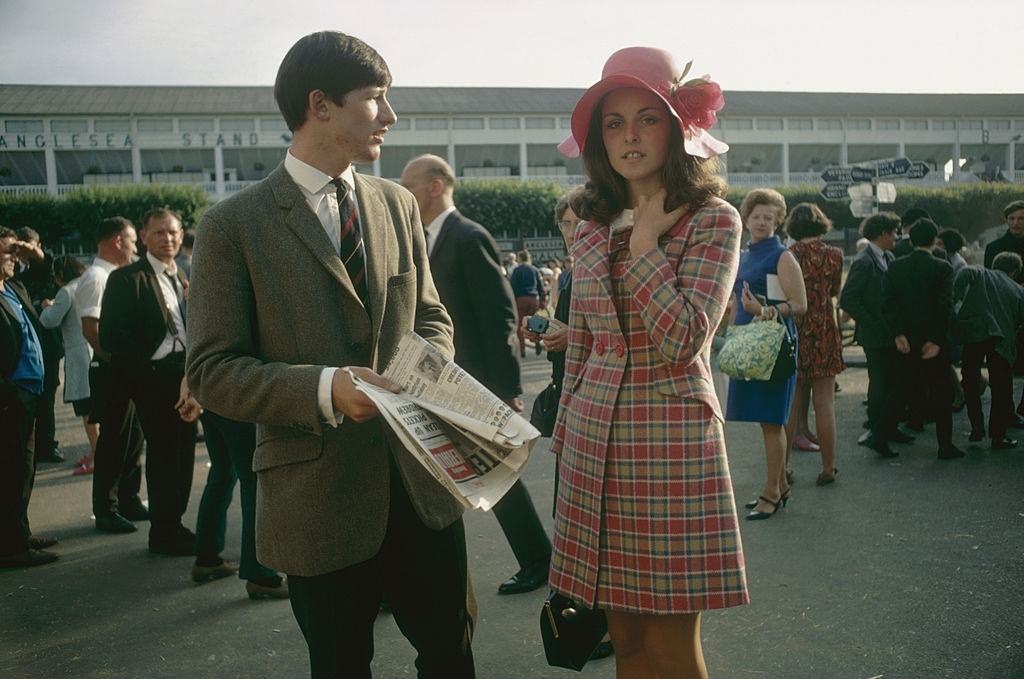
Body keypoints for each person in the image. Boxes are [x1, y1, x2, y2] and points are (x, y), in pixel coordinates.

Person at [185, 32, 474, 678]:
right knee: (341, 664)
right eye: (376, 100)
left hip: (421, 487)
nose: (391, 116)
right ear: (320, 105)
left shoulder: (397, 204)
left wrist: (423, 369)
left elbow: (430, 316)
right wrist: (325, 388)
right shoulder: (233, 227)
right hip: (317, 498)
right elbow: (210, 371)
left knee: (451, 652)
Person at [548, 47, 748, 678]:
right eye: (614, 122)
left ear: (678, 126)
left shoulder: (715, 219)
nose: (629, 135)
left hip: (669, 443)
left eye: (648, 117)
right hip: (589, 440)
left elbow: (682, 338)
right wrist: (564, 429)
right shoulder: (586, 220)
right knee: (625, 641)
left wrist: (642, 245)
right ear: (598, 139)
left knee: (670, 644)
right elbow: (582, 337)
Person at [400, 154, 552, 595]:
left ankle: (537, 559)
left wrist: (506, 390)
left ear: (434, 186)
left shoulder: (468, 236)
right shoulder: (423, 241)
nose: (403, 196)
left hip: (473, 382)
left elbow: (500, 316)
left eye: (409, 187)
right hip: (433, 380)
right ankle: (416, 576)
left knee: (495, 474)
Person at [99, 207, 202, 554]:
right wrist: (144, 378)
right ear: (143, 236)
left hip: (185, 376)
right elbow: (113, 338)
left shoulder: (184, 275)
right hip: (152, 380)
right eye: (159, 233)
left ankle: (173, 522)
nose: (167, 239)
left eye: (173, 232)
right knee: (162, 456)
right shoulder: (126, 279)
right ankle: (163, 530)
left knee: (184, 454)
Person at [727, 188, 807, 520]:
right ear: (746, 219)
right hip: (748, 344)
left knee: (772, 422)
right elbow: (734, 301)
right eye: (756, 216)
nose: (761, 222)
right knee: (764, 421)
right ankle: (779, 486)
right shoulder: (743, 255)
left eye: (768, 217)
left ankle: (772, 491)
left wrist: (762, 310)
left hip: (773, 346)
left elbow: (800, 306)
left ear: (778, 222)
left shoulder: (782, 256)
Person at [77, 217, 148, 534]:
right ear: (118, 240)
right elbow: (91, 330)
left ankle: (129, 499)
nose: (136, 246)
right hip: (111, 370)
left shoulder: (117, 274)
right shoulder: (96, 277)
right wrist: (118, 362)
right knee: (113, 443)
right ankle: (106, 508)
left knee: (133, 439)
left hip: (127, 369)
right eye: (133, 239)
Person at [882, 219, 965, 460]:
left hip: (905, 339)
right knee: (941, 394)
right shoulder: (943, 268)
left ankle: (880, 434)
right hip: (933, 342)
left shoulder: (896, 267)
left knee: (898, 389)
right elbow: (944, 308)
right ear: (933, 240)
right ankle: (945, 445)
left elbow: (888, 304)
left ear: (911, 239)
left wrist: (898, 333)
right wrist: (936, 339)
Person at [0, 226, 58, 568]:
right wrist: (10, 393)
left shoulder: (14, 288)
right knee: (9, 471)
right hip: (11, 396)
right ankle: (10, 546)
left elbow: (42, 273)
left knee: (24, 469)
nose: (14, 257)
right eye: (8, 251)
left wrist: (32, 253)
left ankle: (18, 532)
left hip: (31, 394)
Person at [191, 411, 289, 598]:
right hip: (232, 403)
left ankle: (207, 557)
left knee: (222, 472)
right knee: (255, 480)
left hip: (211, 396)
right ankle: (260, 574)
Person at [783, 204, 845, 485]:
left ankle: (782, 468)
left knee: (792, 403)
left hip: (796, 329)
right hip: (824, 329)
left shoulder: (788, 255)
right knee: (825, 403)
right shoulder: (834, 255)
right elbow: (834, 292)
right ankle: (828, 467)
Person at [840, 213, 909, 459]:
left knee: (890, 384)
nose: (896, 237)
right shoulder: (864, 261)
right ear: (882, 234)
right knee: (880, 385)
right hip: (874, 335)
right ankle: (879, 434)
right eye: (894, 232)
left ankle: (887, 429)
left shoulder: (887, 256)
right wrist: (871, 321)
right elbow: (848, 298)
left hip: (887, 332)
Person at [953, 252, 1024, 450]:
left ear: (994, 265)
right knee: (1002, 388)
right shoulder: (1018, 289)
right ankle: (998, 436)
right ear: (1014, 272)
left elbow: (966, 271)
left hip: (975, 331)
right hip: (1001, 340)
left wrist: (954, 301)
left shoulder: (982, 272)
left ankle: (977, 426)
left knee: (970, 378)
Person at [39, 255, 98, 475]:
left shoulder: (66, 292)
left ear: (61, 274)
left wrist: (47, 306)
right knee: (96, 406)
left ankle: (97, 457)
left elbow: (49, 320)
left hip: (78, 355)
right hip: (94, 350)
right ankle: (94, 453)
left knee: (87, 410)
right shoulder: (88, 285)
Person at [12, 226, 64, 464]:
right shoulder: (10, 270)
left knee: (47, 397)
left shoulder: (44, 270)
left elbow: (46, 265)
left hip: (47, 345)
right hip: (19, 345)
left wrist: (34, 253)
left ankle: (46, 444)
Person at [508, 249, 546, 357]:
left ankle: (522, 349)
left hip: (521, 299)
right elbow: (540, 286)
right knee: (534, 322)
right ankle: (537, 341)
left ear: (519, 258)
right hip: (533, 299)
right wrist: (542, 300)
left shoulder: (517, 270)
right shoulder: (535, 270)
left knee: (520, 325)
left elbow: (513, 287)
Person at [983, 200, 1024, 272]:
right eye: (1012, 218)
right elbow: (990, 279)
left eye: (1021, 218)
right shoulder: (993, 248)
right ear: (1006, 220)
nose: (1016, 223)